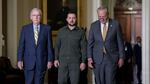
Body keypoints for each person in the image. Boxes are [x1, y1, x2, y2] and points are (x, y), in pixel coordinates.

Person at [87, 5, 125, 84]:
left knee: (110, 81)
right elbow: (90, 44)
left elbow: (120, 43)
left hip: (111, 59)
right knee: (99, 81)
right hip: (97, 59)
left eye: (103, 16)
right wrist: (89, 58)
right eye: (99, 16)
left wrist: (121, 57)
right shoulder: (93, 26)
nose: (101, 18)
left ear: (107, 14)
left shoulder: (115, 24)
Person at [17, 8, 53, 84]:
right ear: (31, 17)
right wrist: (19, 60)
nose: (36, 17)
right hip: (28, 62)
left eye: (38, 15)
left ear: (41, 17)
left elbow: (49, 46)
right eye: (34, 15)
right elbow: (21, 46)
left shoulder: (47, 29)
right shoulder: (25, 29)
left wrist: (50, 60)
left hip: (41, 62)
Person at [54, 11, 87, 84]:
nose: (71, 20)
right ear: (66, 19)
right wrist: (56, 59)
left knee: (75, 82)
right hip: (62, 62)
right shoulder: (61, 31)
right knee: (61, 82)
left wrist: (83, 62)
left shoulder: (81, 32)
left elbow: (84, 48)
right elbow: (57, 46)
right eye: (70, 18)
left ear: (76, 19)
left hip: (75, 62)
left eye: (73, 18)